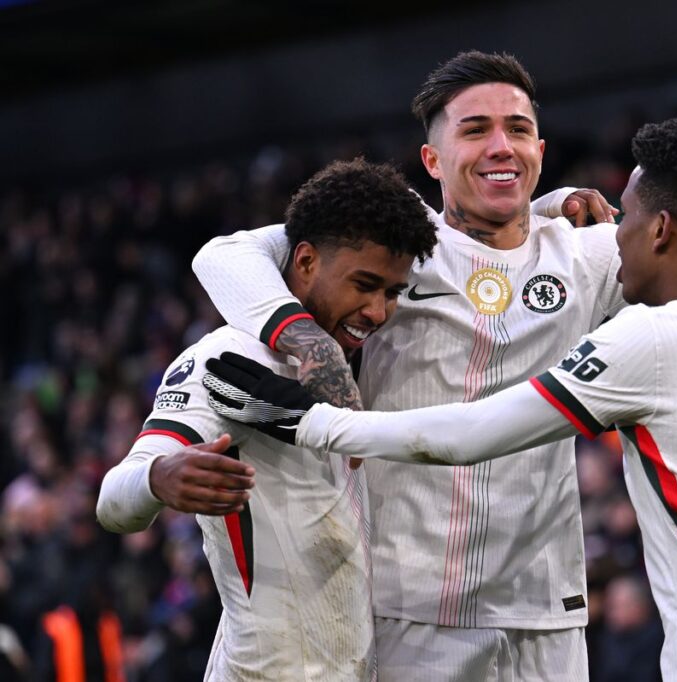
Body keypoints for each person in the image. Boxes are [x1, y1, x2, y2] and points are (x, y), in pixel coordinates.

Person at [190, 52, 677, 680]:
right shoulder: (393, 251)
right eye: (475, 130)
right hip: (409, 607)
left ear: (541, 149)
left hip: (547, 612)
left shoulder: (587, 256)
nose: (501, 146)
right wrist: (301, 336)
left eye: (518, 129)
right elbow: (225, 254)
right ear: (433, 160)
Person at [95, 159, 438, 681]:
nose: (377, 311)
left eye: (391, 292)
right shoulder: (228, 358)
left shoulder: (367, 358)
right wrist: (158, 478)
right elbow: (112, 502)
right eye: (364, 284)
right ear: (305, 261)